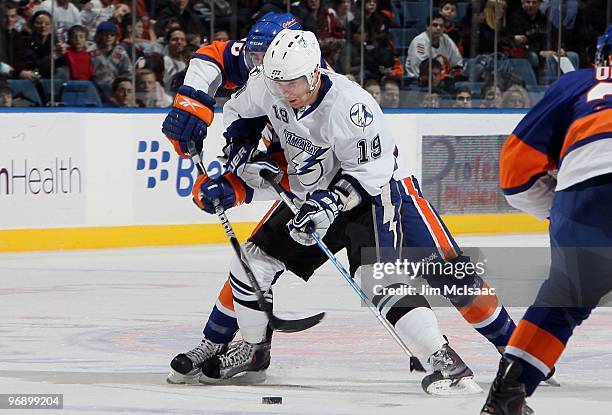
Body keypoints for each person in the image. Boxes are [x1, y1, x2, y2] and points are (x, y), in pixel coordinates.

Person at [178, 29, 521, 395]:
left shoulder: (351, 107)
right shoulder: (270, 84)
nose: (284, 92)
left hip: (371, 193)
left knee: (415, 275)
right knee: (253, 262)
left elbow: (371, 175)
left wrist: (330, 202)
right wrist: (238, 158)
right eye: (278, 83)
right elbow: (241, 118)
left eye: (292, 82)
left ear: (313, 73)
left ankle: (467, 356)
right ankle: (251, 348)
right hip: (314, 194)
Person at [481, 24, 612, 415]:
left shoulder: (579, 84)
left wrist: (558, 210)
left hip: (586, 193)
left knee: (563, 301)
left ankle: (506, 398)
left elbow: (515, 170)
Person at [405, 12, 463, 79]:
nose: (438, 28)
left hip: (442, 80)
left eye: (441, 26)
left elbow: (457, 63)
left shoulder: (446, 39)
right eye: (435, 25)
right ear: (427, 27)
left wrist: (454, 73)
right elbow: (422, 70)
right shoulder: (419, 42)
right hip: (419, 82)